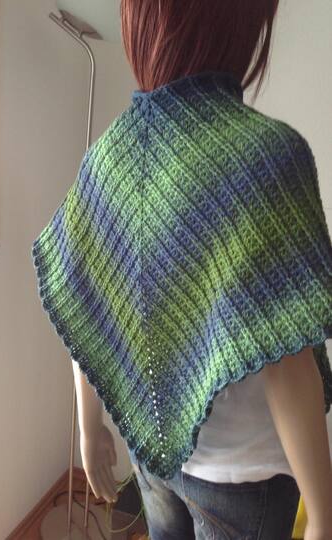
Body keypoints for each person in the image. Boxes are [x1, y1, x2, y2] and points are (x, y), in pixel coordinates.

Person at [31, 1, 332, 539]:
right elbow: (289, 361)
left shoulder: (110, 156)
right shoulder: (268, 156)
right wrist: (324, 513)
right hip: (244, 476)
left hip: (150, 458)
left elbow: (85, 297)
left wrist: (90, 427)